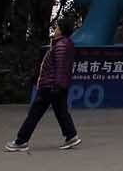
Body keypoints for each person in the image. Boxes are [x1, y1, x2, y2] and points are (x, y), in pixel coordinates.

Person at [5, 13, 81, 152]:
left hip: (50, 86)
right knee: (61, 112)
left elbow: (60, 67)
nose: (55, 29)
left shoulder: (61, 46)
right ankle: (71, 136)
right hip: (56, 85)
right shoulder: (63, 44)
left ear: (62, 29)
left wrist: (56, 86)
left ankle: (21, 141)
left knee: (35, 113)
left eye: (57, 27)